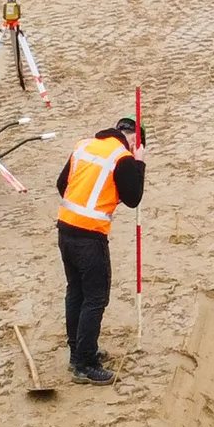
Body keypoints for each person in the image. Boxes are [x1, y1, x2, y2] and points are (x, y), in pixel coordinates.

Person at [55, 115, 145, 385]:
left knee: (76, 292)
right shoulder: (123, 158)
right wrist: (139, 163)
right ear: (133, 141)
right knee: (95, 298)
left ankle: (79, 351)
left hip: (65, 229)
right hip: (90, 237)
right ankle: (84, 364)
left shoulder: (85, 145)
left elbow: (62, 185)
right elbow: (133, 198)